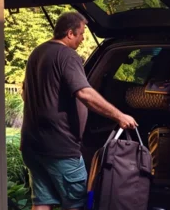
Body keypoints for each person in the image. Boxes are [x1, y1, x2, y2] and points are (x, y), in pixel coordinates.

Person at [20, 12, 138, 210]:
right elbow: (84, 93)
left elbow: (25, 93)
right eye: (81, 34)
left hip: (32, 144)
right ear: (69, 33)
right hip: (60, 147)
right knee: (78, 203)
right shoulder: (67, 55)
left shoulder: (37, 53)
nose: (83, 39)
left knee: (42, 202)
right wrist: (120, 116)